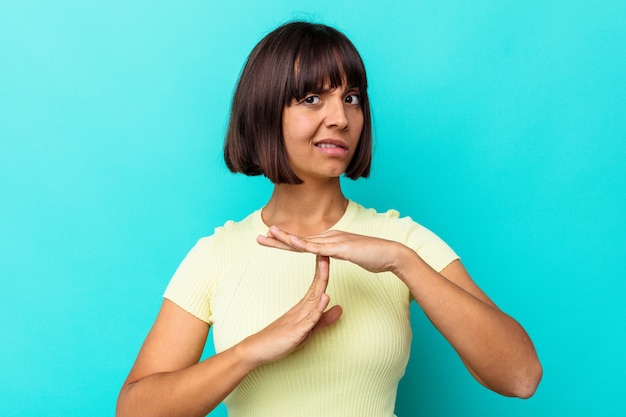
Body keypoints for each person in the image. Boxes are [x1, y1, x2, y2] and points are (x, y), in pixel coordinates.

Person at [116, 21, 542, 417]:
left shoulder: (403, 240)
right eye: (312, 98)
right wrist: (254, 349)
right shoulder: (216, 254)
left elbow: (521, 377)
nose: (340, 118)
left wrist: (402, 261)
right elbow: (134, 409)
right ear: (265, 110)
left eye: (351, 98)